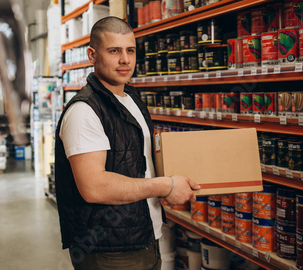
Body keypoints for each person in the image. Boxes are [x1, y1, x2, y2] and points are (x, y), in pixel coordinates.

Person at [55, 16, 200, 270]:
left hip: (145, 236)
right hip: (109, 249)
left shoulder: (131, 97)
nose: (125, 60)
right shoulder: (84, 111)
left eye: (130, 50)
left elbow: (139, 163)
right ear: (92, 54)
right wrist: (165, 186)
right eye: (114, 51)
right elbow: (94, 187)